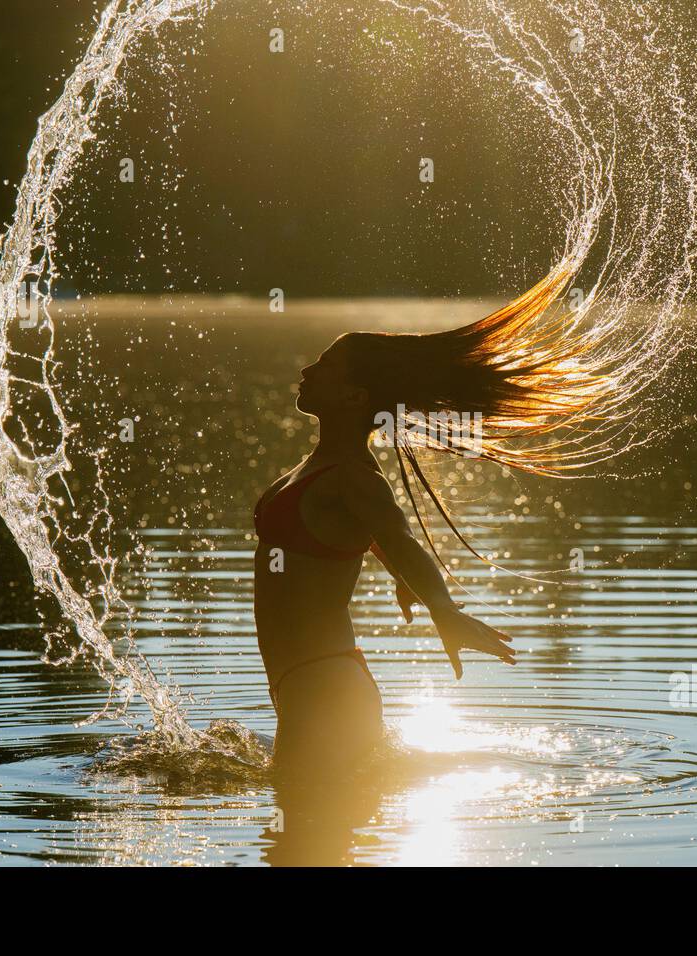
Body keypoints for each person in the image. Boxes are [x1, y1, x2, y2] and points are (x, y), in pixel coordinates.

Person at [253, 266, 599, 771]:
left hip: (323, 687)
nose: (308, 371)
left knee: (301, 833)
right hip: (305, 683)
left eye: (326, 367)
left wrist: (442, 607)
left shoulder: (354, 476)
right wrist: (399, 574)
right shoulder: (319, 467)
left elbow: (400, 537)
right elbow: (375, 539)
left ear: (355, 397)